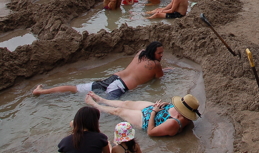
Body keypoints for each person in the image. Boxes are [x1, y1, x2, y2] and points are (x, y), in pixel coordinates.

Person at [33, 42, 167, 99]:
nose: (161, 55)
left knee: (75, 88)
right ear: (153, 53)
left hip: (113, 79)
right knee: (105, 110)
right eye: (159, 53)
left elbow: (139, 72)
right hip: (120, 87)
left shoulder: (141, 53)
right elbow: (159, 78)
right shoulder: (155, 65)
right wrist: (168, 70)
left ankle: (42, 91)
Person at [86, 92, 200, 137]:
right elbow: (173, 108)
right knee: (126, 103)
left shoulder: (174, 123)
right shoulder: (186, 113)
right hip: (154, 109)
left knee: (119, 111)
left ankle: (97, 107)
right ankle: (102, 100)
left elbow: (151, 132)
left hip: (146, 120)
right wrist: (165, 105)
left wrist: (154, 112)